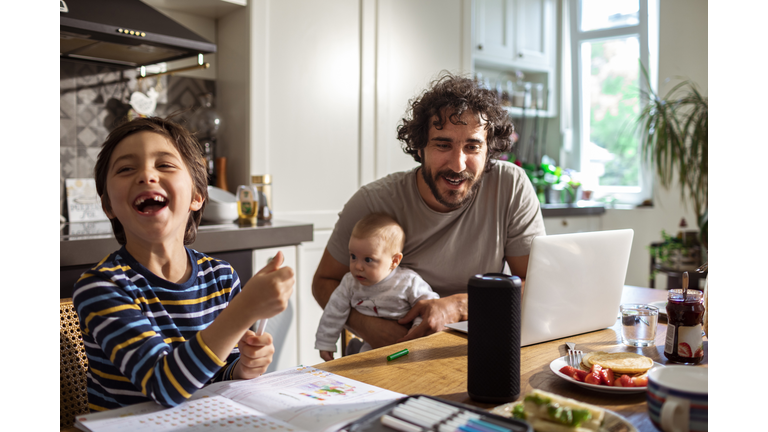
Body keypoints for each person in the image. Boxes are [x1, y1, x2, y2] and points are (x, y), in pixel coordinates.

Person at [73, 117, 295, 411]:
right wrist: (245, 310)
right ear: (108, 206)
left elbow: (214, 375)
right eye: (126, 169)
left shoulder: (221, 277)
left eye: (164, 165)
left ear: (198, 195)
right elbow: (163, 385)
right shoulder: (102, 286)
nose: (146, 175)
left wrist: (242, 368)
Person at [312, 72, 546, 351]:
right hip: (395, 351)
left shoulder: (510, 186)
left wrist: (459, 306)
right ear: (420, 147)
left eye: (472, 146)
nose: (458, 165)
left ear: (489, 150)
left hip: (483, 343)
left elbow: (536, 285)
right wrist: (371, 328)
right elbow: (324, 281)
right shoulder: (373, 202)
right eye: (443, 144)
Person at [314, 213, 438, 360]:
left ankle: (355, 348)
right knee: (365, 365)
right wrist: (325, 342)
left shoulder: (408, 282)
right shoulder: (350, 283)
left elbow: (430, 307)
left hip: (408, 342)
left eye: (368, 259)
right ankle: (355, 349)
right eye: (353, 256)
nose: (358, 266)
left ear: (394, 261)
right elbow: (334, 311)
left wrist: (415, 334)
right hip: (371, 344)